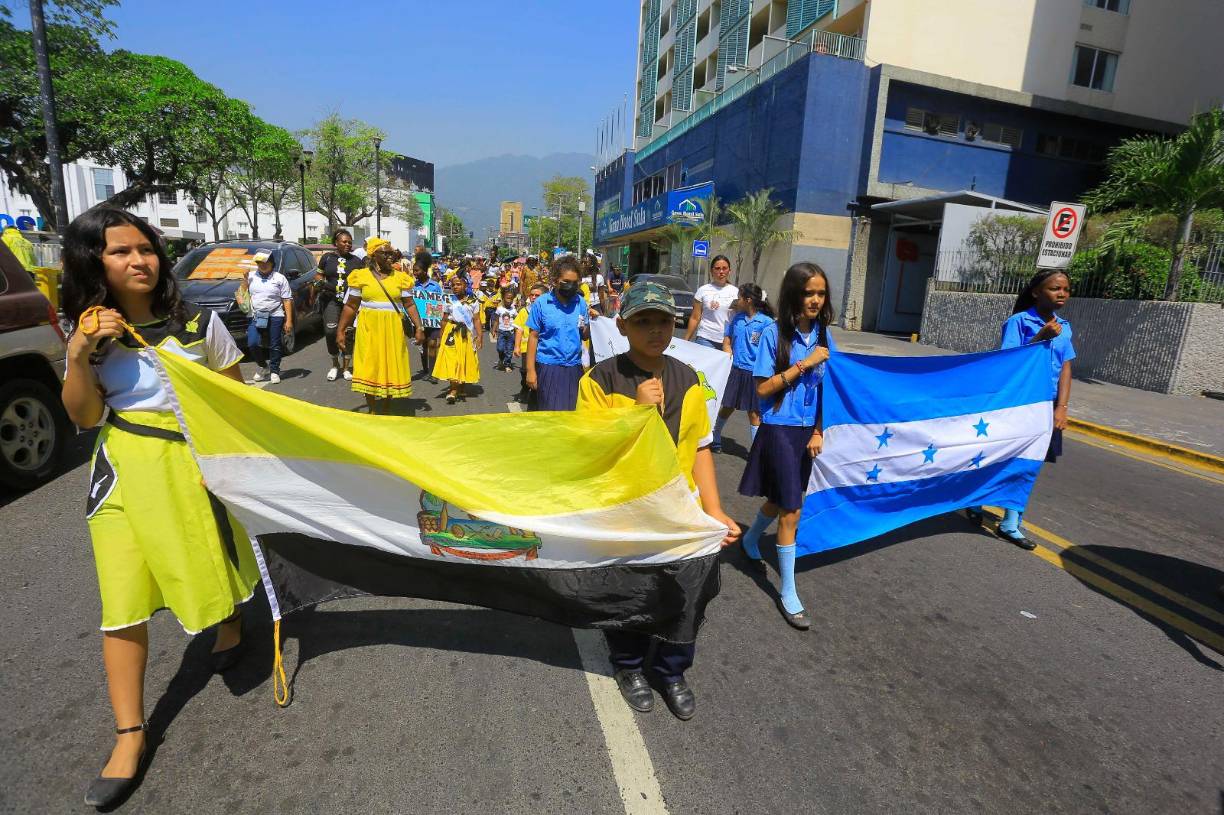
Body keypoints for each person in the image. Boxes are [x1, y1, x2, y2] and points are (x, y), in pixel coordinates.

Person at [59, 207, 260, 807]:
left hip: (195, 461)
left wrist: (226, 465)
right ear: (93, 262)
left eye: (145, 248)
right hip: (122, 469)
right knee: (121, 600)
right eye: (119, 252)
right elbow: (86, 417)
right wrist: (78, 355)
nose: (138, 260)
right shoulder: (88, 331)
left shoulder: (198, 321)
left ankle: (228, 621)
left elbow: (237, 398)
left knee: (211, 555)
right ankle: (129, 733)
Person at [577, 281, 740, 720]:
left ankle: (671, 670)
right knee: (630, 591)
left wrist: (715, 508)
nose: (655, 331)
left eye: (663, 321)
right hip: (626, 508)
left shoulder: (687, 378)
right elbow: (592, 451)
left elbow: (700, 446)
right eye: (643, 321)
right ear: (622, 325)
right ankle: (629, 665)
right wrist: (634, 407)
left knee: (683, 590)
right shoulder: (600, 380)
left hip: (676, 507)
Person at [738, 262, 836, 631]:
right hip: (778, 429)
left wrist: (819, 430)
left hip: (806, 432)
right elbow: (761, 389)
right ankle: (789, 591)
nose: (815, 300)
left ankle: (750, 538)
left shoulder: (826, 335)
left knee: (782, 499)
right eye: (808, 292)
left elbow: (830, 388)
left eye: (821, 293)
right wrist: (803, 365)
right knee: (792, 510)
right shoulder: (772, 334)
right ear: (794, 293)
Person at [966, 269, 1075, 548]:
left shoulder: (1065, 326)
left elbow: (1065, 368)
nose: (1061, 293)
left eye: (1065, 289)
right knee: (1001, 456)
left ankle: (1010, 522)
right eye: (1054, 288)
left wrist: (1061, 407)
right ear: (1036, 292)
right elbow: (1009, 360)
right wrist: (1040, 335)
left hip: (1045, 406)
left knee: (1030, 462)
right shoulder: (1018, 321)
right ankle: (976, 499)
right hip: (1019, 404)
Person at [336, 237, 425, 415]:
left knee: (389, 365)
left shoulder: (401, 278)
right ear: (374, 255)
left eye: (391, 253)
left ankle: (385, 408)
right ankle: (372, 409)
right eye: (385, 253)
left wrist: (419, 327)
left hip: (392, 328)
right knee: (370, 365)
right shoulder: (360, 276)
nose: (390, 256)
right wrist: (341, 330)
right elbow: (351, 305)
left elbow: (409, 304)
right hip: (368, 328)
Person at [714, 282, 775, 452]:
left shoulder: (767, 323)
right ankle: (716, 435)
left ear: (748, 300)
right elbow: (727, 339)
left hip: (755, 373)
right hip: (736, 369)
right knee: (727, 405)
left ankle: (756, 451)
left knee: (754, 412)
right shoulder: (737, 319)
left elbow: (772, 349)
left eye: (739, 297)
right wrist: (727, 350)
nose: (737, 300)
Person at [525, 256, 589, 411]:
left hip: (574, 367)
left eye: (575, 283)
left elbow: (585, 336)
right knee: (551, 412)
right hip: (549, 367)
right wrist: (530, 371)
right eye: (566, 282)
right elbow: (533, 337)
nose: (571, 286)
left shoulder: (580, 303)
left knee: (573, 412)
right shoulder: (541, 303)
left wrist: (588, 325)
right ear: (554, 281)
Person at [239, 248, 293, 385]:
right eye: (259, 263)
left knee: (275, 344)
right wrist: (244, 280)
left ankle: (275, 370)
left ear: (272, 262)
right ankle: (264, 366)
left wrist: (289, 320)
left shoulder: (280, 278)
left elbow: (286, 300)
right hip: (256, 316)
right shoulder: (250, 276)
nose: (262, 265)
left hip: (276, 315)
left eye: (265, 262)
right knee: (252, 343)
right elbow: (241, 293)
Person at [315, 229, 363, 382]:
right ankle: (335, 364)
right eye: (344, 241)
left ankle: (346, 367)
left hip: (350, 303)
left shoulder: (356, 261)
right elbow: (319, 274)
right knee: (330, 331)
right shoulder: (327, 258)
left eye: (350, 242)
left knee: (348, 333)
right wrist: (319, 282)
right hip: (331, 301)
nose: (348, 244)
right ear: (336, 243)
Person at [433, 272, 482, 403]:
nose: (455, 287)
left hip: (467, 334)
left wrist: (479, 336)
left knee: (464, 358)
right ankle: (453, 390)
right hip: (451, 332)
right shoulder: (448, 300)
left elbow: (476, 320)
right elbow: (443, 320)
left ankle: (461, 385)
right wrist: (441, 336)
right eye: (453, 285)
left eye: (459, 284)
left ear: (466, 286)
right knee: (452, 360)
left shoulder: (473, 301)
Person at [684, 255, 738, 349]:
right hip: (705, 338)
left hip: (728, 341)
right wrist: (686, 340)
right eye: (717, 268)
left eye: (724, 268)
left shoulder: (736, 292)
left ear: (729, 271)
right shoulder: (702, 290)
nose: (721, 272)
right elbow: (695, 317)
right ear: (712, 271)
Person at [411, 248, 444, 384]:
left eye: (417, 271)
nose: (414, 273)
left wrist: (438, 319)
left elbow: (439, 302)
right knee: (423, 345)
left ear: (424, 271)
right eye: (414, 271)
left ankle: (432, 372)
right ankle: (425, 368)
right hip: (419, 321)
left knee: (432, 344)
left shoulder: (435, 286)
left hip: (433, 319)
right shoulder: (413, 286)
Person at [513, 283, 547, 405]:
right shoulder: (524, 311)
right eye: (531, 295)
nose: (533, 298)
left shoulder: (548, 311)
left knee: (541, 370)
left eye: (537, 295)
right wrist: (517, 346)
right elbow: (519, 329)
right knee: (525, 370)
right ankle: (525, 387)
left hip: (543, 348)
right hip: (526, 347)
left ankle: (538, 392)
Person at [493, 288, 519, 371]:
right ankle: (501, 359)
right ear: (503, 298)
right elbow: (496, 320)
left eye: (511, 299)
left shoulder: (514, 310)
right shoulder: (499, 309)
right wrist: (494, 330)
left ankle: (507, 364)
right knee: (500, 348)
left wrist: (517, 331)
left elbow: (517, 321)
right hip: (501, 332)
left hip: (511, 333)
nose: (509, 300)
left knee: (509, 350)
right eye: (507, 298)